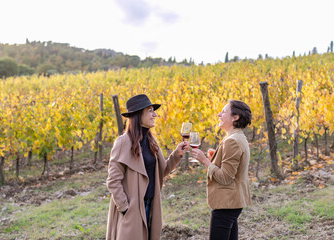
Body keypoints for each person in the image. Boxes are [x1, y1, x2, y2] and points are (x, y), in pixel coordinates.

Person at [106, 94, 188, 240]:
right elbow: (113, 181)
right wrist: (125, 208)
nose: (154, 114)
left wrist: (177, 154)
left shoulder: (151, 141)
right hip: (132, 209)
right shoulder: (123, 142)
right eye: (150, 110)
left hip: (150, 206)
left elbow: (161, 171)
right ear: (138, 115)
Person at [191, 100, 252, 240]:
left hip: (226, 202)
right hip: (232, 201)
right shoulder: (237, 137)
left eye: (224, 111)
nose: (219, 114)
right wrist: (215, 159)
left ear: (235, 117)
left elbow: (225, 177)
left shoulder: (232, 141)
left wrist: (205, 161)